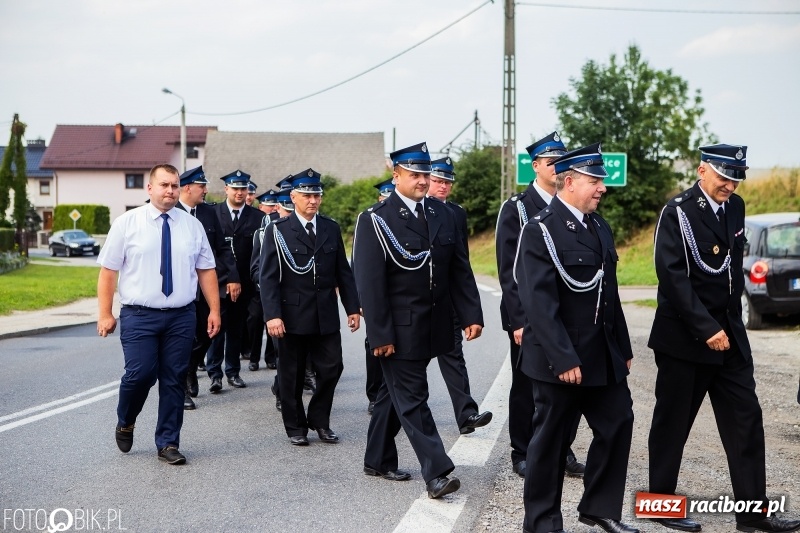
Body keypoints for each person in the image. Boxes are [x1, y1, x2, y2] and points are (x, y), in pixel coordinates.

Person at [647, 144, 800, 533]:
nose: (730, 185)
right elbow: (672, 277)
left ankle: (753, 515)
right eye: (723, 177)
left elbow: (731, 270)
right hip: (685, 338)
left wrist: (726, 327)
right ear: (702, 171)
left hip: (729, 337)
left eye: (736, 178)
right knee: (672, 426)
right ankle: (660, 506)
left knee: (746, 421)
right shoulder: (677, 212)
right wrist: (706, 328)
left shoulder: (736, 207)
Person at [514, 143, 637, 533]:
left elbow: (609, 294)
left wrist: (622, 347)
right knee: (550, 442)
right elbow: (538, 303)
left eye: (601, 180)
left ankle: (599, 508)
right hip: (558, 359)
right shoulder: (540, 230)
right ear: (569, 182)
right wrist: (563, 357)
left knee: (618, 421)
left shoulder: (599, 226)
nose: (602, 187)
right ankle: (542, 522)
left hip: (600, 354)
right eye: (594, 180)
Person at [353, 142, 484, 499]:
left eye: (426, 174)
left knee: (391, 395)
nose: (423, 181)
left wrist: (471, 313)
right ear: (396, 175)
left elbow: (459, 268)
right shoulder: (376, 219)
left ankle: (377, 458)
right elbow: (370, 283)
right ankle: (437, 472)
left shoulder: (443, 214)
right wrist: (380, 334)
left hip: (436, 323)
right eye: (414, 174)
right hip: (398, 328)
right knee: (413, 397)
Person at [97, 163, 220, 465]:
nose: (170, 191)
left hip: (181, 315)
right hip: (139, 315)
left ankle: (168, 443)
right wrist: (105, 313)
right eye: (164, 185)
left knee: (174, 379)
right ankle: (126, 420)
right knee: (140, 374)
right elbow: (108, 271)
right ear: (150, 188)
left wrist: (214, 310)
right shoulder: (127, 223)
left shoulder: (192, 226)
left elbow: (206, 270)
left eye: (175, 185)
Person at [495, 131, 586, 478]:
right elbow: (509, 271)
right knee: (526, 385)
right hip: (529, 316)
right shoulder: (518, 208)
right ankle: (522, 451)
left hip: (567, 315)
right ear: (535, 166)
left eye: (562, 161)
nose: (557, 167)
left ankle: (562, 448)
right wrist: (518, 320)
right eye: (551, 162)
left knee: (569, 384)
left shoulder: (572, 203)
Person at [260, 168, 361, 446]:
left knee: (332, 368)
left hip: (325, 314)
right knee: (291, 375)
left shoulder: (330, 228)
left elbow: (343, 272)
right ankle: (295, 427)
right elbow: (268, 277)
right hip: (291, 315)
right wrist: (272, 315)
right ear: (293, 197)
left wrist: (352, 307)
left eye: (316, 195)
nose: (312, 200)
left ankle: (319, 419)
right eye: (306, 195)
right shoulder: (278, 230)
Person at [427, 156, 493, 434]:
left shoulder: (456, 213)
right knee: (406, 370)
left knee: (453, 357)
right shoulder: (411, 211)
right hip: (416, 304)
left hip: (446, 302)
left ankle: (466, 415)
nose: (443, 186)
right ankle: (387, 416)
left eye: (447, 182)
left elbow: (461, 265)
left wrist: (470, 313)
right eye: (438, 181)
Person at [175, 165, 239, 410]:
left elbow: (222, 248)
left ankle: (191, 368)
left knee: (206, 334)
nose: (205, 190)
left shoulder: (208, 213)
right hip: (179, 288)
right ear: (187, 188)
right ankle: (181, 386)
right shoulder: (171, 211)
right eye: (201, 186)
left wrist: (233, 276)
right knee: (182, 338)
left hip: (205, 287)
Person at [207, 170, 264, 393]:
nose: (240, 193)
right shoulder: (213, 213)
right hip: (219, 281)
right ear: (226, 189)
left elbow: (259, 253)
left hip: (246, 284)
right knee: (216, 328)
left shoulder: (257, 217)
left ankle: (232, 371)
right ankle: (214, 374)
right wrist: (228, 278)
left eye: (243, 189)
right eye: (235, 188)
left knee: (237, 329)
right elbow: (211, 251)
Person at [362, 177, 395, 414]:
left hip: (399, 299)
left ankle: (390, 397)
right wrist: (360, 300)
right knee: (375, 345)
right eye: (385, 197)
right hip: (376, 298)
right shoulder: (371, 219)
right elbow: (360, 266)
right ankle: (374, 395)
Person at [248, 189, 281, 372]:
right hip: (259, 287)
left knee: (274, 324)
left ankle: (271, 357)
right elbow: (256, 262)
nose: (273, 209)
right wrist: (261, 283)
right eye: (269, 206)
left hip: (278, 288)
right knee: (255, 321)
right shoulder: (260, 232)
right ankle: (253, 357)